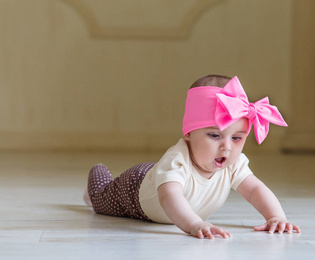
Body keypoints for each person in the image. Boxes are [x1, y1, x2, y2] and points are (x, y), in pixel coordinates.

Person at [83, 74, 301, 239]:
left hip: (157, 174)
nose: (226, 147)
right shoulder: (177, 159)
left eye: (237, 138)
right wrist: (194, 224)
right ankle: (98, 173)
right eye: (215, 135)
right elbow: (170, 197)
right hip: (134, 190)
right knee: (100, 198)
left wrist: (276, 217)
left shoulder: (233, 164)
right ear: (188, 133)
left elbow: (255, 190)